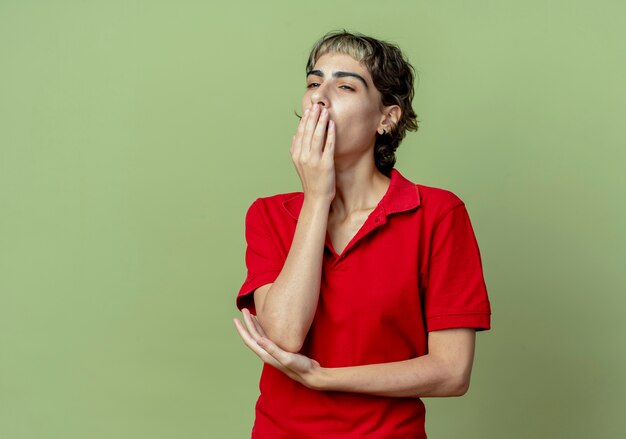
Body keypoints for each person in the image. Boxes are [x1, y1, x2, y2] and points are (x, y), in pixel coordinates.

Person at [233, 30, 491, 438]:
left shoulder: (438, 214)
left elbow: (451, 372)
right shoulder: (268, 214)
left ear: (387, 118)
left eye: (346, 85)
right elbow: (284, 335)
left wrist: (323, 378)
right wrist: (318, 198)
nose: (320, 96)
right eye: (314, 83)